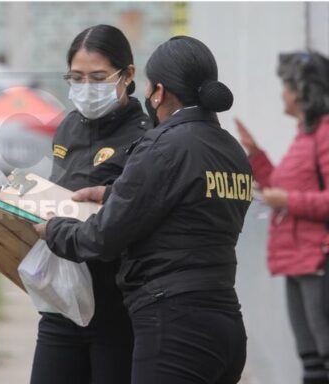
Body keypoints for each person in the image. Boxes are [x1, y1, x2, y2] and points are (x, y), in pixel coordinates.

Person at [34, 35, 252, 384]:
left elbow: (103, 237)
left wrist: (53, 230)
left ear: (159, 92)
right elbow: (184, 208)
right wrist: (113, 193)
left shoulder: (163, 144)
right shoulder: (231, 150)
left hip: (173, 322)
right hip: (225, 320)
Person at [29, 24, 151, 384]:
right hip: (62, 304)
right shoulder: (68, 127)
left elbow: (129, 220)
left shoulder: (145, 138)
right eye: (76, 78)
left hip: (116, 309)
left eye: (97, 77)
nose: (86, 89)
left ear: (128, 74)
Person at [236, 51, 329, 384]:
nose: (282, 94)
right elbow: (280, 187)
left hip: (318, 260)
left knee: (323, 354)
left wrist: (288, 200)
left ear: (304, 91)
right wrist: (256, 155)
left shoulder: (324, 135)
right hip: (299, 260)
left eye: (287, 86)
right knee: (311, 358)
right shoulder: (305, 136)